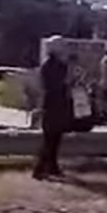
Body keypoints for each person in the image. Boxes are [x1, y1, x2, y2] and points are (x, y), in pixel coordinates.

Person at [33, 37, 72, 179]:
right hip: (52, 104)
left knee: (55, 137)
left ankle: (52, 167)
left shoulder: (57, 65)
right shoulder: (51, 66)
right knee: (50, 138)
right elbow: (51, 86)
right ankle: (39, 168)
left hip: (56, 103)